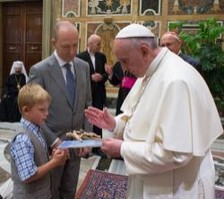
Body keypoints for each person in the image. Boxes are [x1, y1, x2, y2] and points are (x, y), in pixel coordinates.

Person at [85, 24, 224, 199]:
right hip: (154, 178)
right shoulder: (152, 70)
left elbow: (176, 153)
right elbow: (141, 115)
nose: (124, 68)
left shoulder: (175, 81)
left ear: (144, 51)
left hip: (175, 185)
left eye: (125, 60)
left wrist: (122, 149)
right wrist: (115, 123)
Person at [28, 20, 92, 199]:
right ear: (53, 43)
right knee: (51, 191)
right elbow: (31, 116)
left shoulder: (83, 66)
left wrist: (86, 138)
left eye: (75, 45)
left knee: (69, 190)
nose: (72, 52)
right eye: (66, 47)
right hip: (51, 148)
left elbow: (88, 104)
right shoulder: (40, 71)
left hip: (76, 145)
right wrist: (54, 141)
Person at [10, 83, 68, 199]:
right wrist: (54, 163)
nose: (46, 113)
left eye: (47, 109)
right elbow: (28, 175)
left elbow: (36, 162)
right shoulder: (23, 138)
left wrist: (53, 158)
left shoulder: (37, 129)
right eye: (42, 110)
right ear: (26, 110)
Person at [77, 34, 108, 157]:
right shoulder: (80, 57)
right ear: (90, 44)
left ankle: (96, 147)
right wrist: (90, 78)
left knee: (98, 120)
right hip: (85, 93)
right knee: (85, 119)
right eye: (98, 44)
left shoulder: (102, 57)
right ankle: (84, 146)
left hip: (99, 93)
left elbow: (106, 74)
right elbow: (78, 77)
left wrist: (102, 77)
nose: (100, 46)